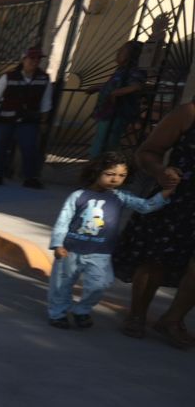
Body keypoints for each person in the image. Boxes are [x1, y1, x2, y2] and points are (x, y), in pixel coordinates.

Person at [45, 150, 175, 329]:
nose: (115, 179)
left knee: (99, 285)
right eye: (110, 174)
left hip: (100, 253)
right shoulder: (78, 196)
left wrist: (165, 193)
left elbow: (145, 206)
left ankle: (82, 310)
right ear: (96, 172)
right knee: (61, 285)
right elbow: (63, 220)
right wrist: (57, 244)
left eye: (122, 175)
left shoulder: (120, 197)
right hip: (70, 250)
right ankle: (57, 314)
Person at [113, 100, 195, 346]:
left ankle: (172, 320)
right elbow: (147, 152)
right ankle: (137, 314)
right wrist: (160, 171)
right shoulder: (189, 112)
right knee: (155, 258)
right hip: (180, 197)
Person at [0, 47, 53, 188]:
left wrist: (44, 121)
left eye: (38, 59)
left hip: (28, 120)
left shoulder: (43, 79)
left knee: (29, 148)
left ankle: (30, 178)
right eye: (32, 58)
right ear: (23, 59)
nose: (35, 61)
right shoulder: (8, 77)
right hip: (5, 119)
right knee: (1, 148)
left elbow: (46, 103)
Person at [89, 41, 146, 159]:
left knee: (108, 140)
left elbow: (136, 86)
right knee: (101, 138)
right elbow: (114, 84)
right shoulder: (121, 70)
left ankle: (101, 164)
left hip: (118, 110)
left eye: (122, 50)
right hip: (107, 110)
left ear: (132, 55)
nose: (118, 52)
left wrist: (115, 93)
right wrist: (98, 87)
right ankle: (96, 163)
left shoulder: (135, 70)